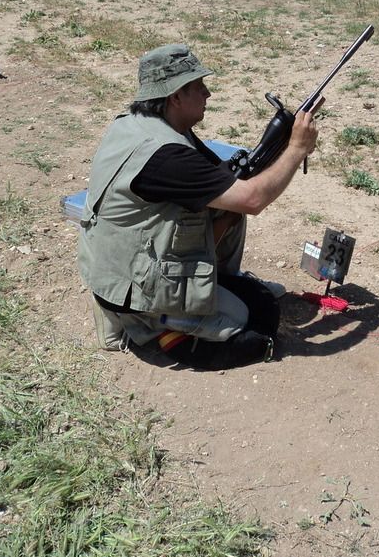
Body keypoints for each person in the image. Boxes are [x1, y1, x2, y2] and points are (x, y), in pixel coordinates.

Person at [77, 44, 320, 370]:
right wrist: (295, 150)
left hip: (114, 269)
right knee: (260, 324)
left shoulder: (139, 125)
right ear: (175, 96)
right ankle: (158, 327)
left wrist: (274, 147)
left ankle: (180, 303)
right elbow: (252, 199)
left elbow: (227, 180)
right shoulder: (166, 155)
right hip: (131, 286)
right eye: (198, 86)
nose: (207, 93)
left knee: (229, 212)